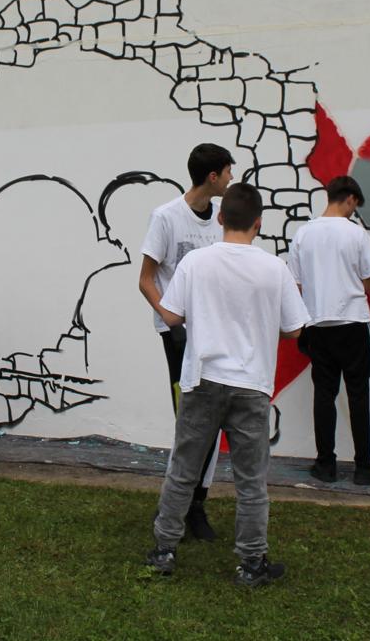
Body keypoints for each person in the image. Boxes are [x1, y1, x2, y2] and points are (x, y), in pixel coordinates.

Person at [145, 183, 309, 587]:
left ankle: (164, 550)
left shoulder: (196, 263)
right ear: (258, 223)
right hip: (251, 384)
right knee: (251, 480)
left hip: (201, 379)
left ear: (220, 218)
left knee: (183, 469)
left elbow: (172, 317)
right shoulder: (275, 268)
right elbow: (295, 329)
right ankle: (252, 563)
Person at [138, 142, 234, 541]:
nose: (232, 178)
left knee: (213, 420)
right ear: (212, 176)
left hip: (216, 334)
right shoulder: (166, 217)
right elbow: (146, 278)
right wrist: (170, 319)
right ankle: (182, 504)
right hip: (179, 338)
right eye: (228, 171)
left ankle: (198, 501)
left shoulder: (223, 220)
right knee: (190, 421)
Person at [287, 176, 370, 486]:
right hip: (352, 322)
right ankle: (366, 465)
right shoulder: (356, 234)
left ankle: (325, 465)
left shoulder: (303, 235)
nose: (354, 212)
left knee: (324, 395)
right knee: (360, 394)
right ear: (349, 199)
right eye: (354, 206)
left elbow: (295, 285)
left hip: (317, 323)